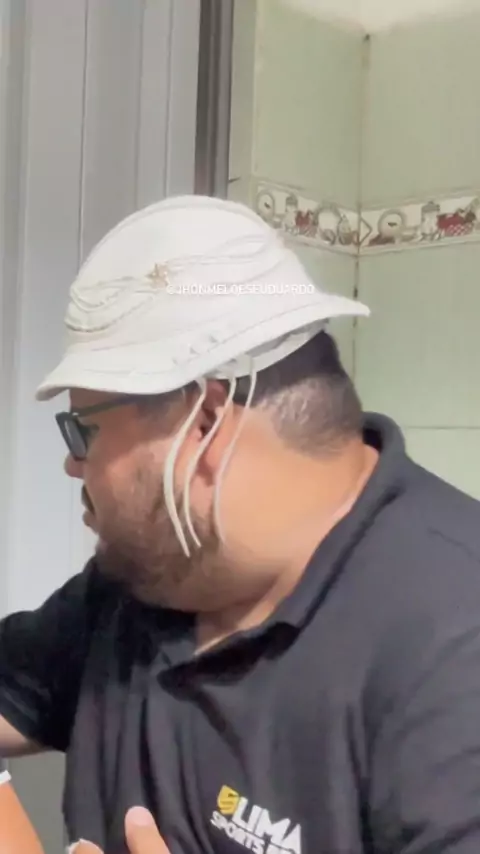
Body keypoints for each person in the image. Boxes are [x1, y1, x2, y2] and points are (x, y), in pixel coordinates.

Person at [1, 195, 480, 854]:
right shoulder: (153, 576)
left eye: (85, 430)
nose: (72, 464)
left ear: (202, 424)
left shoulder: (452, 647)